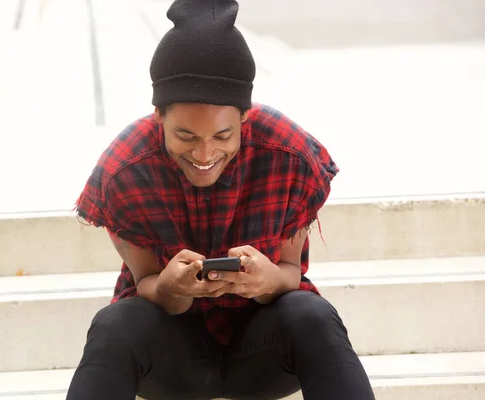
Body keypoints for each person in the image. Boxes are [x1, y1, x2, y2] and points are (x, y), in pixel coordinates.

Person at [66, 0, 374, 399]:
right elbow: (144, 282)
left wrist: (267, 281)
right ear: (158, 115)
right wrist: (170, 290)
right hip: (171, 361)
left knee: (312, 314)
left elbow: (290, 272)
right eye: (186, 136)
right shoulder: (124, 169)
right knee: (115, 324)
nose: (205, 154)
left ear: (245, 116)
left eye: (223, 136)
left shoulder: (289, 153)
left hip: (263, 355)